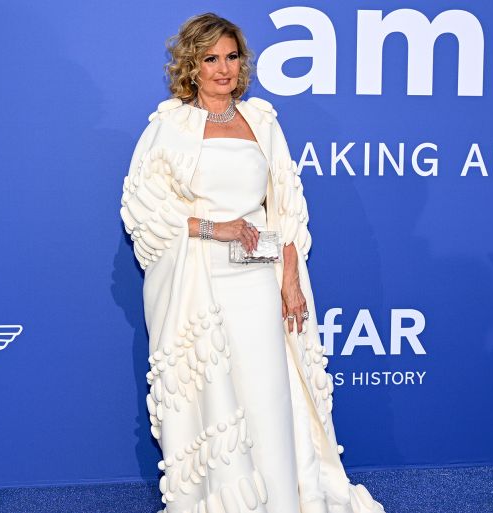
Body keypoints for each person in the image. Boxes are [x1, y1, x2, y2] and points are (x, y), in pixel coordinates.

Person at [120, 12, 385, 513]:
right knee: (219, 397)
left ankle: (282, 501)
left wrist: (291, 280)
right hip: (200, 282)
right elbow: (143, 209)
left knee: (267, 393)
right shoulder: (170, 127)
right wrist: (211, 227)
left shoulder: (262, 121)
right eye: (211, 59)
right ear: (192, 65)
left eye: (232, 57)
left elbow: (286, 207)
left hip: (258, 275)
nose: (223, 69)